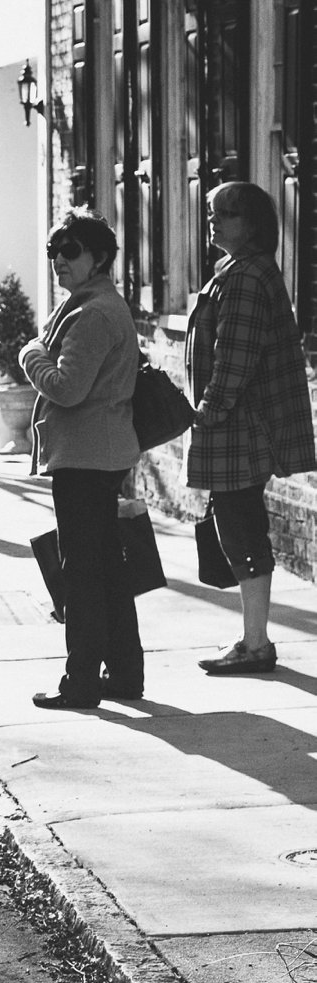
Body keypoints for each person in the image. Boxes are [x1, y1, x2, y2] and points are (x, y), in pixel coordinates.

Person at [185, 180, 316, 675]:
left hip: (241, 426)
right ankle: (251, 637)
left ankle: (256, 643)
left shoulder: (245, 277)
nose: (213, 221)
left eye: (225, 213)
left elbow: (233, 359)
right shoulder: (239, 270)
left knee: (240, 528)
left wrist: (207, 412)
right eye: (211, 212)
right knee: (238, 523)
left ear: (254, 223)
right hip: (240, 424)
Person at [17, 213, 142, 709]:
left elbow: (67, 388)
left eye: (70, 251)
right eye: (53, 252)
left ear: (100, 257)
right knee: (107, 569)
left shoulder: (92, 313)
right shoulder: (88, 303)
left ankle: (82, 682)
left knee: (83, 574)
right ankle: (125, 674)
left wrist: (31, 354)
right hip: (95, 454)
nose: (59, 261)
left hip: (87, 459)